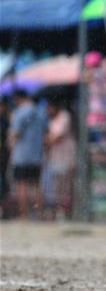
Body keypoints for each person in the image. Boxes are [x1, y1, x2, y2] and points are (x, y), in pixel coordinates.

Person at [8, 90, 46, 218]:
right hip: (36, 155)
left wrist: (10, 141)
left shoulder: (19, 113)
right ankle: (40, 214)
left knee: (22, 184)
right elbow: (46, 132)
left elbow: (15, 133)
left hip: (22, 155)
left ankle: (24, 214)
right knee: (36, 184)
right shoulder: (40, 112)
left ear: (18, 99)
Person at [42, 99, 75, 219]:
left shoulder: (64, 116)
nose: (48, 111)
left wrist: (48, 139)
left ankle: (65, 213)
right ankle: (56, 212)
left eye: (49, 108)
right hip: (55, 157)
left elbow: (56, 137)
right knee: (55, 187)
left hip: (65, 157)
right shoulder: (51, 120)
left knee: (65, 186)